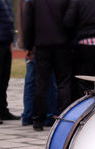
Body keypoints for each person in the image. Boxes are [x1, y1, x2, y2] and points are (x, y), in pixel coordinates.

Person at [23, 0, 73, 131]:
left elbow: (28, 23)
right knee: (63, 82)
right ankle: (63, 117)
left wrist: (28, 46)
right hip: (63, 45)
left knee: (41, 83)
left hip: (42, 45)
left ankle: (38, 120)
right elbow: (71, 20)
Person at [16, 0, 58, 127]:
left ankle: (29, 115)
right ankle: (48, 116)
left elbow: (23, 22)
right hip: (40, 44)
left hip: (33, 43)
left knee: (33, 81)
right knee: (47, 82)